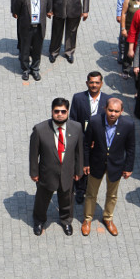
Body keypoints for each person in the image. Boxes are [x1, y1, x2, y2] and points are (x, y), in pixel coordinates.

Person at [29, 98, 83, 236]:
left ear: (68, 112)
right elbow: (33, 154)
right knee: (42, 200)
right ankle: (39, 221)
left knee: (67, 199)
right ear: (52, 111)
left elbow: (79, 151)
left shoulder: (76, 128)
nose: (60, 114)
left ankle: (66, 221)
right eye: (56, 111)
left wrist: (78, 170)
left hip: (67, 172)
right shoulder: (40, 129)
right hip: (46, 173)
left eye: (63, 111)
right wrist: (34, 172)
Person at [81, 98, 135, 236]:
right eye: (110, 110)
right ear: (105, 108)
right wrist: (85, 163)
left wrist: (128, 167)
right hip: (96, 163)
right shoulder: (94, 121)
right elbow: (86, 144)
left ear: (122, 111)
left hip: (116, 165)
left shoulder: (128, 125)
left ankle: (108, 218)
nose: (113, 114)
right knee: (91, 193)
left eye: (116, 111)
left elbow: (130, 148)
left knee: (112, 195)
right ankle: (87, 219)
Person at [69, 72, 111, 205]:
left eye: (97, 82)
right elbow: (73, 121)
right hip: (81, 139)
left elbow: (109, 124)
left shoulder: (108, 100)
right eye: (91, 82)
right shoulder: (78, 98)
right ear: (87, 83)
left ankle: (89, 188)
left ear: (101, 84)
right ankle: (80, 189)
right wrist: (84, 140)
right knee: (80, 164)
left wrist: (96, 140)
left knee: (93, 165)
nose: (94, 85)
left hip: (98, 142)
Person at [12, 0, 53, 81]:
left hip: (39, 27)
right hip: (26, 28)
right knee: (25, 50)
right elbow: (16, 10)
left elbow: (49, 7)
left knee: (37, 50)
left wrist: (49, 12)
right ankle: (25, 70)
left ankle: (35, 69)